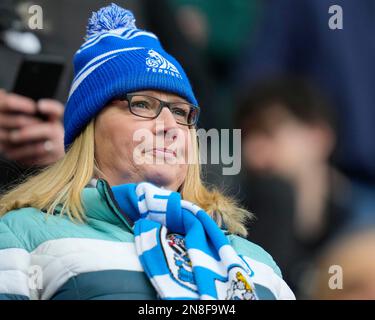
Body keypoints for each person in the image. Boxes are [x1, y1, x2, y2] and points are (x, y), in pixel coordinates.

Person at [0, 4, 294, 300]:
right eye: (141, 104)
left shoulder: (259, 263)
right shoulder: (21, 236)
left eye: (181, 113)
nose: (169, 126)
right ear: (88, 131)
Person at [235, 78, 354, 298]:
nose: (252, 150)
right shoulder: (243, 215)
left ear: (319, 137)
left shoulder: (358, 223)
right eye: (246, 137)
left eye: (268, 133)